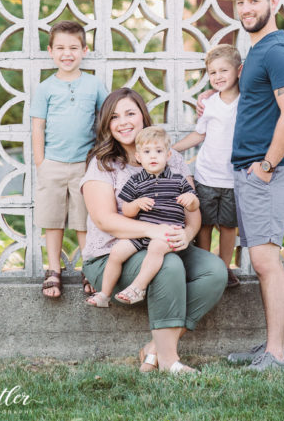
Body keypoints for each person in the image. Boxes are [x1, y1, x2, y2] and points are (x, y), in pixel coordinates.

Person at [81, 88, 227, 374]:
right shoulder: (103, 164)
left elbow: (191, 211)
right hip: (112, 255)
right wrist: (155, 230)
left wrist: (187, 233)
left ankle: (154, 348)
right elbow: (105, 220)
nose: (123, 122)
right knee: (168, 265)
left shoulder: (170, 158)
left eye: (130, 113)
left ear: (143, 116)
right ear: (107, 125)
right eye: (114, 117)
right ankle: (170, 361)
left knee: (215, 271)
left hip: (164, 243)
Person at [222, 0, 284, 371]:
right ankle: (277, 347)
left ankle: (275, 354)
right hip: (252, 170)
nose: (246, 9)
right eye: (240, 2)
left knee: (265, 261)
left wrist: (267, 166)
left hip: (267, 172)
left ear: (274, 2)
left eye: (253, 0)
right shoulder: (256, 48)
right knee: (262, 259)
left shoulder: (277, 50)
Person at [31, 20, 108, 299]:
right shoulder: (45, 88)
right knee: (53, 220)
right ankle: (53, 269)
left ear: (84, 50)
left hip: (84, 166)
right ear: (51, 51)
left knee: (84, 220)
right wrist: (41, 162)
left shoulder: (93, 84)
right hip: (52, 163)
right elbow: (37, 126)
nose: (67, 53)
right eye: (61, 48)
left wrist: (100, 158)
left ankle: (90, 267)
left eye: (74, 47)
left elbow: (105, 118)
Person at [86, 126, 199, 307]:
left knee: (156, 247)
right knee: (117, 252)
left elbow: (194, 206)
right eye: (147, 152)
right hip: (141, 234)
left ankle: (138, 287)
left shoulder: (178, 179)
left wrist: (190, 199)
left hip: (167, 234)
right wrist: (137, 204)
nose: (153, 156)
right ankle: (104, 294)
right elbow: (127, 210)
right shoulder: (136, 181)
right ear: (139, 157)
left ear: (168, 155)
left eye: (159, 151)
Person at [173, 44, 243, 288]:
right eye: (212, 73)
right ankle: (202, 265)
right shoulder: (210, 103)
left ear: (239, 71)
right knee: (204, 225)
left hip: (233, 179)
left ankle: (224, 268)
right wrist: (173, 149)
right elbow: (198, 135)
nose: (218, 77)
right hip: (205, 176)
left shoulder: (246, 102)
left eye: (224, 70)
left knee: (227, 226)